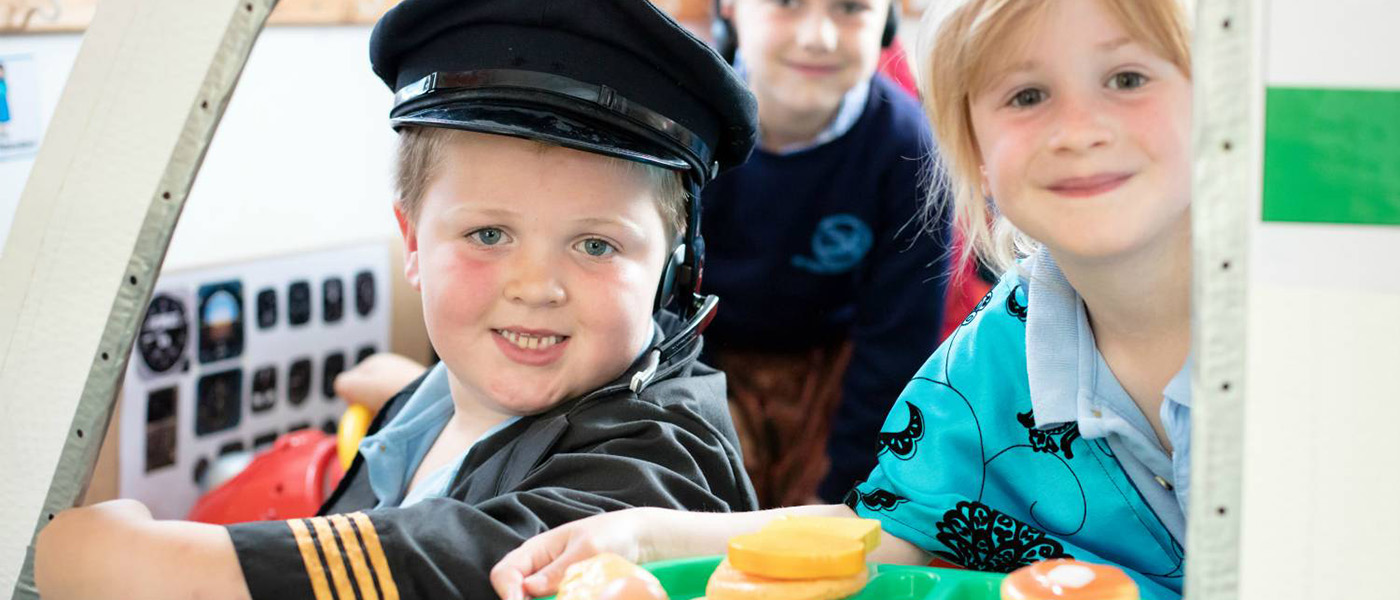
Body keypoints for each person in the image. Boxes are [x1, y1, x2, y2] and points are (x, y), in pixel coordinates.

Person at [33, 0, 765, 597]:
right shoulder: (443, 396)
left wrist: (166, 566)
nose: (536, 288)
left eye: (596, 245)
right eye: (488, 234)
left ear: (672, 270)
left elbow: (496, 560)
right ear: (412, 243)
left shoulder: (668, 458)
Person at [490, 0, 1195, 598]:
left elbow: (891, 346)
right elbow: (894, 531)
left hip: (836, 374)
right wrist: (643, 535)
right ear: (975, 153)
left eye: (1127, 78)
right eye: (1027, 96)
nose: (1078, 131)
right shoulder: (996, 353)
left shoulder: (1275, 329)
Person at [702, 0, 952, 507]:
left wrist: (840, 489)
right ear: (728, 7)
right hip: (695, 358)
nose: (819, 36)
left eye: (851, 8)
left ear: (886, 20)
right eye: (786, 3)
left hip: (839, 380)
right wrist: (699, 395)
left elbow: (898, 344)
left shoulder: (911, 151)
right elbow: (652, 303)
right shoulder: (681, 124)